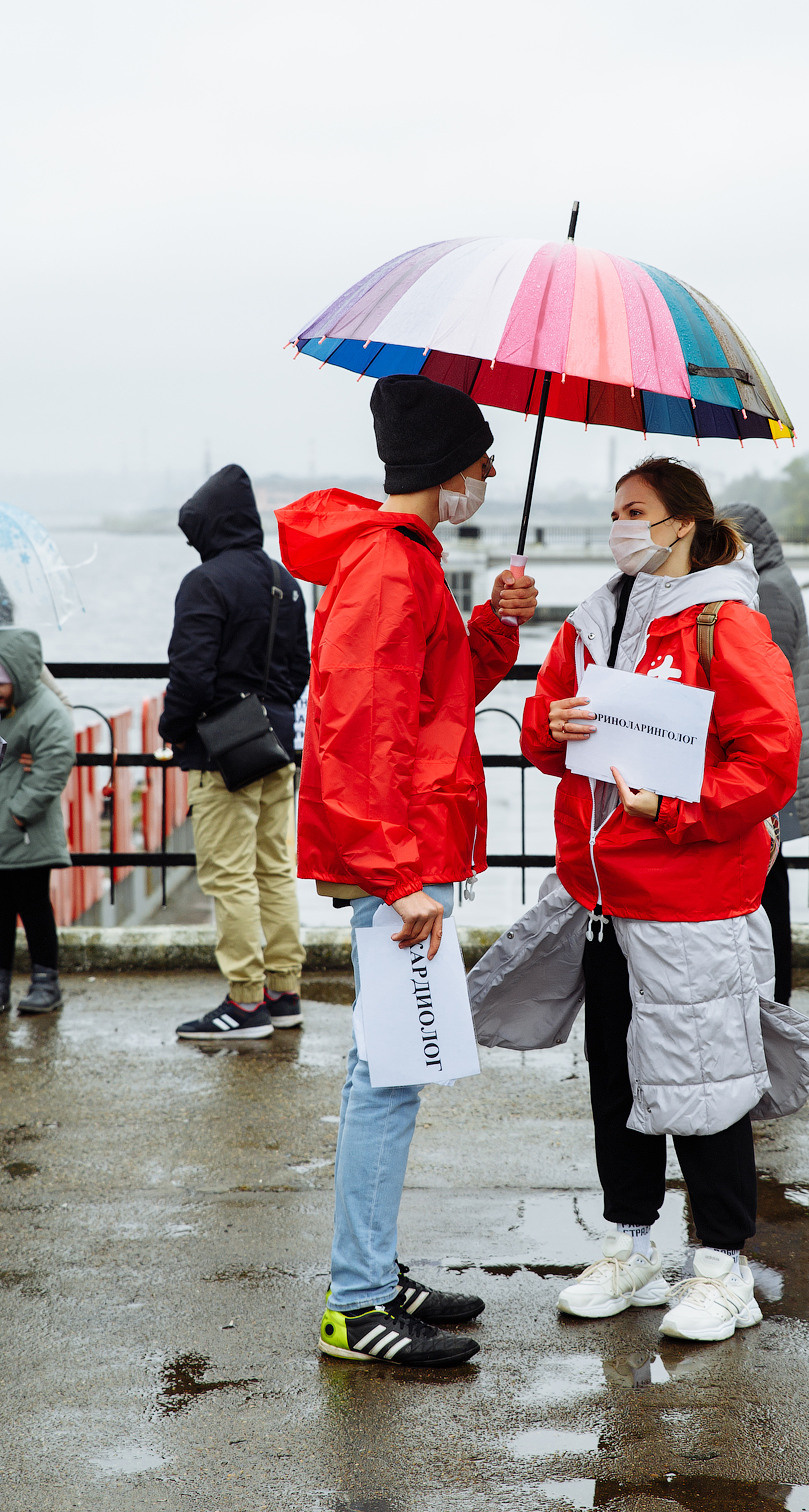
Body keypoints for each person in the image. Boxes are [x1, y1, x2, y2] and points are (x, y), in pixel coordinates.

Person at [471, 456, 808, 1344]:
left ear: (685, 525)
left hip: (693, 900)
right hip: (601, 902)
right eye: (614, 509)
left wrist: (678, 811)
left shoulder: (724, 624)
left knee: (704, 1085)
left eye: (637, 510)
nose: (621, 524)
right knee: (618, 1082)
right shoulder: (590, 623)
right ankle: (630, 1246)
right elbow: (542, 734)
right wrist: (554, 726)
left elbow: (768, 762)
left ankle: (723, 1268)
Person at [277, 374, 537, 1369]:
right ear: (445, 468)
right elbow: (350, 735)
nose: (487, 475)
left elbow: (436, 700)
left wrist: (497, 624)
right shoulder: (389, 568)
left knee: (385, 1071)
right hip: (401, 872)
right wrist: (398, 878)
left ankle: (371, 1272)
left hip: (406, 863)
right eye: (481, 460)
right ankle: (355, 1301)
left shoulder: (405, 561)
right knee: (388, 1078)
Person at [160, 464, 310, 1042]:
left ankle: (245, 1003)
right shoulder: (284, 581)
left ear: (209, 526)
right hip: (276, 748)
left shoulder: (205, 583)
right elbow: (298, 668)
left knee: (229, 877)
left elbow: (190, 676)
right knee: (273, 871)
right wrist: (268, 712)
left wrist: (175, 729)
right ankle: (283, 991)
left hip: (222, 753)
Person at [720, 502, 809, 1004]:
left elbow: (760, 688)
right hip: (780, 771)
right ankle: (773, 998)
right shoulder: (775, 581)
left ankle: (775, 1002)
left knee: (769, 896)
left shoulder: (769, 592)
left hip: (772, 778)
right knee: (770, 890)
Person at [0, 629, 75, 1015]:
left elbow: (56, 762)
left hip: (28, 833)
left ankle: (46, 981)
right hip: (6, 828)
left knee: (34, 907)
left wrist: (18, 813)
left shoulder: (44, 711)